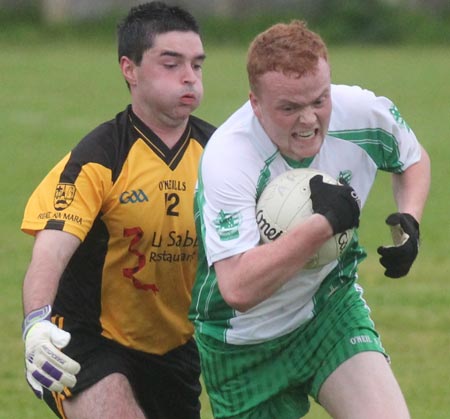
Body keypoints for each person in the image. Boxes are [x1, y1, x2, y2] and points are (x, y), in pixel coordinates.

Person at [189, 20, 430, 419]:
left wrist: (410, 220)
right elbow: (237, 288)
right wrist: (323, 224)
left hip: (328, 309)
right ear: (255, 102)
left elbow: (412, 157)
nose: (308, 120)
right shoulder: (229, 158)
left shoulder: (360, 112)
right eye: (289, 108)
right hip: (243, 343)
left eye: (319, 100)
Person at [20, 2, 215, 418]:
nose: (189, 77)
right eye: (171, 63)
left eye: (197, 65)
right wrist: (35, 323)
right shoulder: (99, 157)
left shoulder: (222, 156)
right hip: (86, 339)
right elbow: (50, 252)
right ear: (130, 69)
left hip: (176, 348)